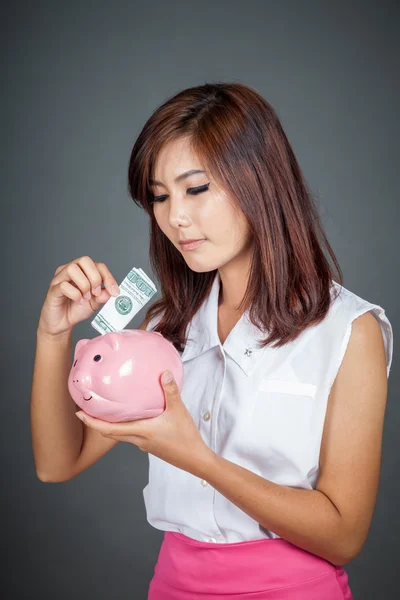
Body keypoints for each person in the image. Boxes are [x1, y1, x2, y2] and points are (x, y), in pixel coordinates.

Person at [31, 82, 393, 599]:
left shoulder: (348, 331)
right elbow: (56, 463)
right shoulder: (165, 327)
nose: (175, 216)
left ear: (259, 182)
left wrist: (198, 458)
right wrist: (53, 335)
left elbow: (344, 535)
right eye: (159, 196)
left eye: (196, 188)